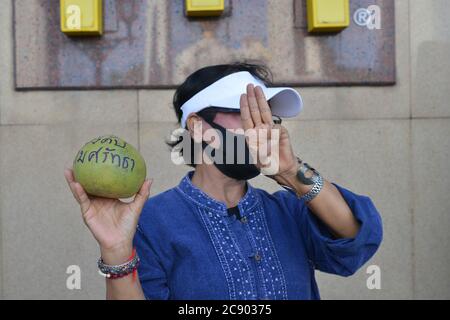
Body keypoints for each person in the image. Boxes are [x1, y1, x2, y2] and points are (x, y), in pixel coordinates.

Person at [64, 62, 383, 300]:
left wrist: (292, 173)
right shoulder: (151, 221)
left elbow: (357, 236)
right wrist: (118, 251)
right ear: (200, 127)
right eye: (248, 113)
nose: (262, 127)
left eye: (268, 115)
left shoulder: (289, 209)